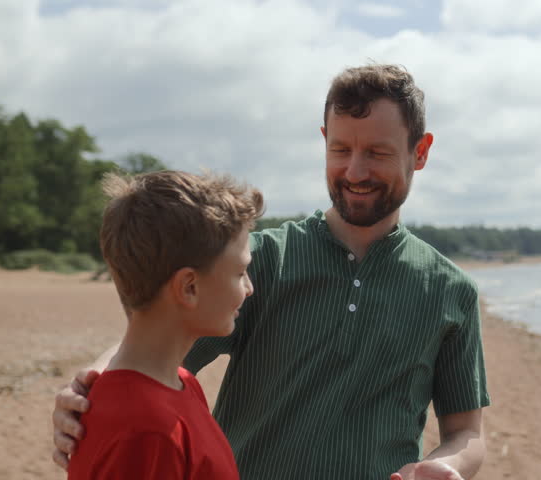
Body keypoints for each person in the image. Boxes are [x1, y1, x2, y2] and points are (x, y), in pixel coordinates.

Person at [53, 64, 489, 479]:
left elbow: (466, 432)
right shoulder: (258, 260)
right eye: (340, 149)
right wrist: (88, 388)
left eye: (376, 153)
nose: (355, 171)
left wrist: (446, 466)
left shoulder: (451, 291)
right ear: (323, 140)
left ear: (421, 151)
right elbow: (154, 338)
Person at [66, 170, 264, 479]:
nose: (249, 288)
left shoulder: (183, 383)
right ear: (189, 287)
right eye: (240, 273)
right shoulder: (147, 430)